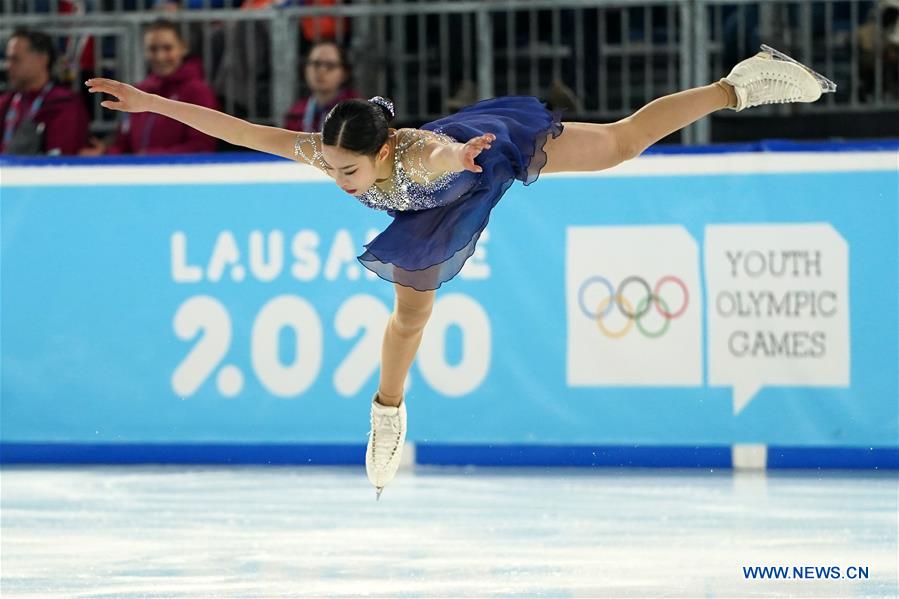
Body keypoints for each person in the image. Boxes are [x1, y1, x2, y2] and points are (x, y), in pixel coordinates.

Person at [85, 46, 832, 499]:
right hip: (432, 209)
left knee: (618, 144)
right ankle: (387, 413)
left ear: (381, 154)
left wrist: (461, 156)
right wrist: (150, 101)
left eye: (349, 170)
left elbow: (439, 156)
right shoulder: (326, 149)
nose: (338, 179)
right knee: (410, 315)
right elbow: (242, 132)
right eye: (331, 166)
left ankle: (744, 83)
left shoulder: (412, 153)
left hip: (473, 160)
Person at [80, 19, 218, 156]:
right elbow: (124, 146)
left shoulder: (198, 92)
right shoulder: (140, 90)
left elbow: (201, 147)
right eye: (153, 49)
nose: (160, 56)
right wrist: (105, 153)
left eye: (167, 48)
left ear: (183, 48)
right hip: (141, 173)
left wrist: (150, 157)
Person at [1, 29, 89, 155]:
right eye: (8, 59)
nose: (8, 66)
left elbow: (61, 159)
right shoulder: (5, 103)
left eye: (16, 59)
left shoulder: (64, 104)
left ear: (41, 59)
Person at [284, 41, 358, 132]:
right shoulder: (296, 112)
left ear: (344, 73)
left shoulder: (357, 112)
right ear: (305, 69)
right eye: (316, 64)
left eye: (330, 65)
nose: (321, 71)